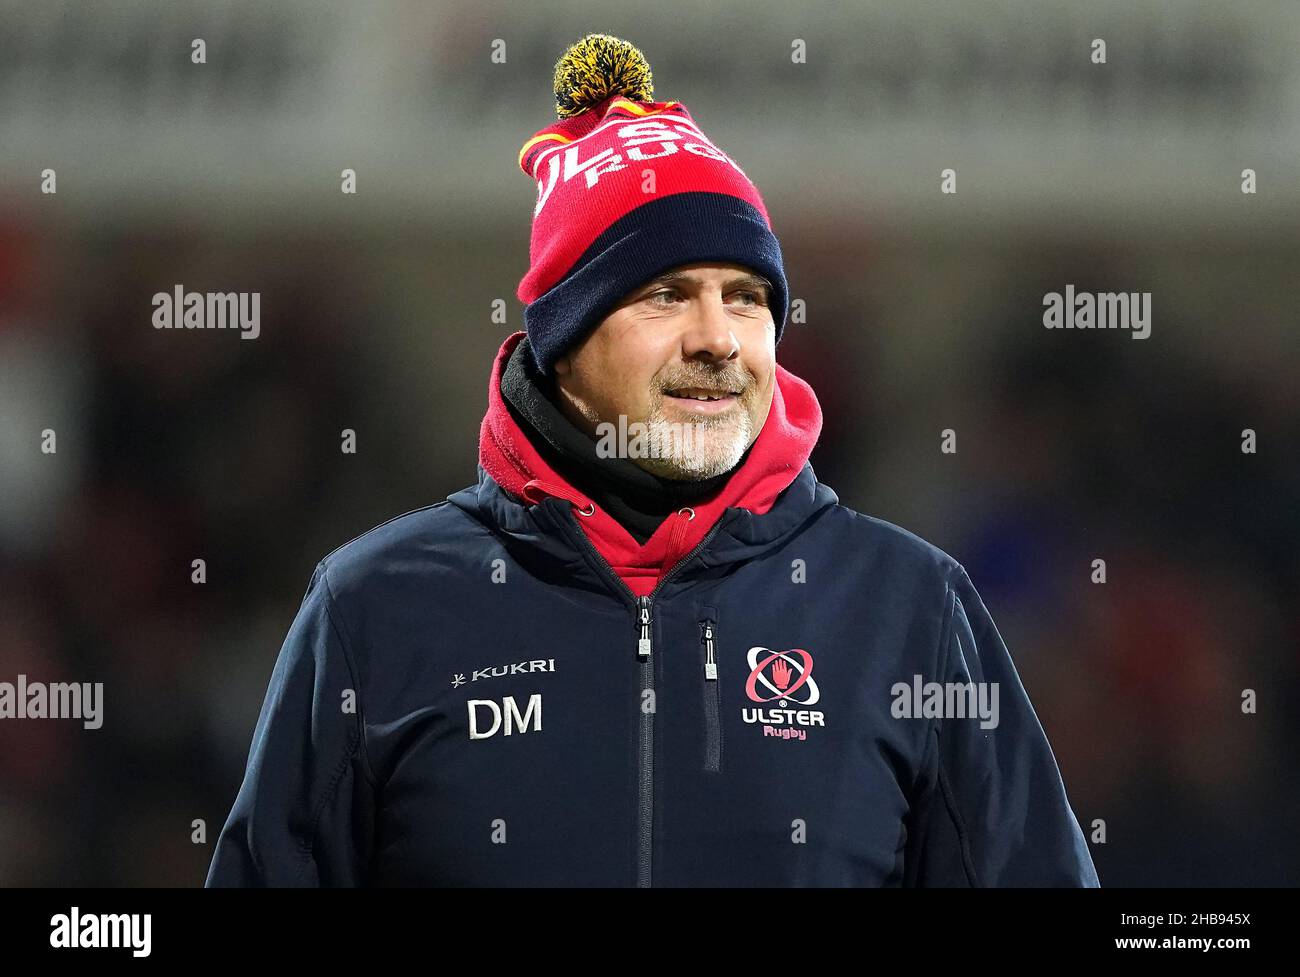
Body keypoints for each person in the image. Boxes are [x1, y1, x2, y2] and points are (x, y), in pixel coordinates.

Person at [205, 33, 1098, 887]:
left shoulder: (909, 612)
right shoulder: (373, 611)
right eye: (665, 295)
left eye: (747, 299)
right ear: (562, 340)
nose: (718, 339)